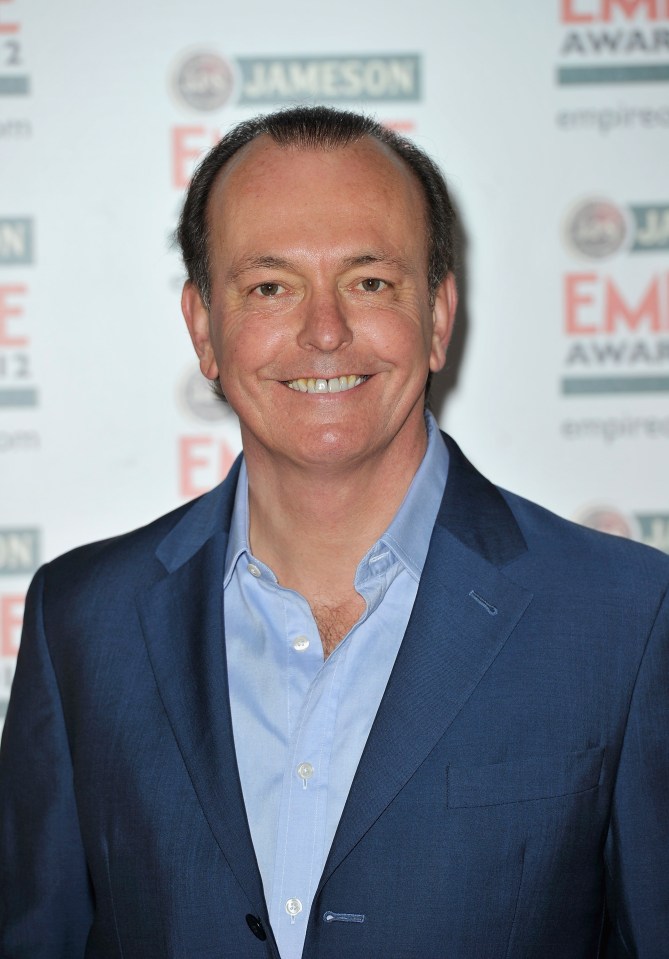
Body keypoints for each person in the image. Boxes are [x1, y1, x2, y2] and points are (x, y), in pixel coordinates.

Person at [1, 106, 668, 959]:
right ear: (204, 327)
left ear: (436, 317)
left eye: (369, 282)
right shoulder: (82, 621)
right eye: (271, 286)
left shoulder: (625, 618)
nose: (324, 332)